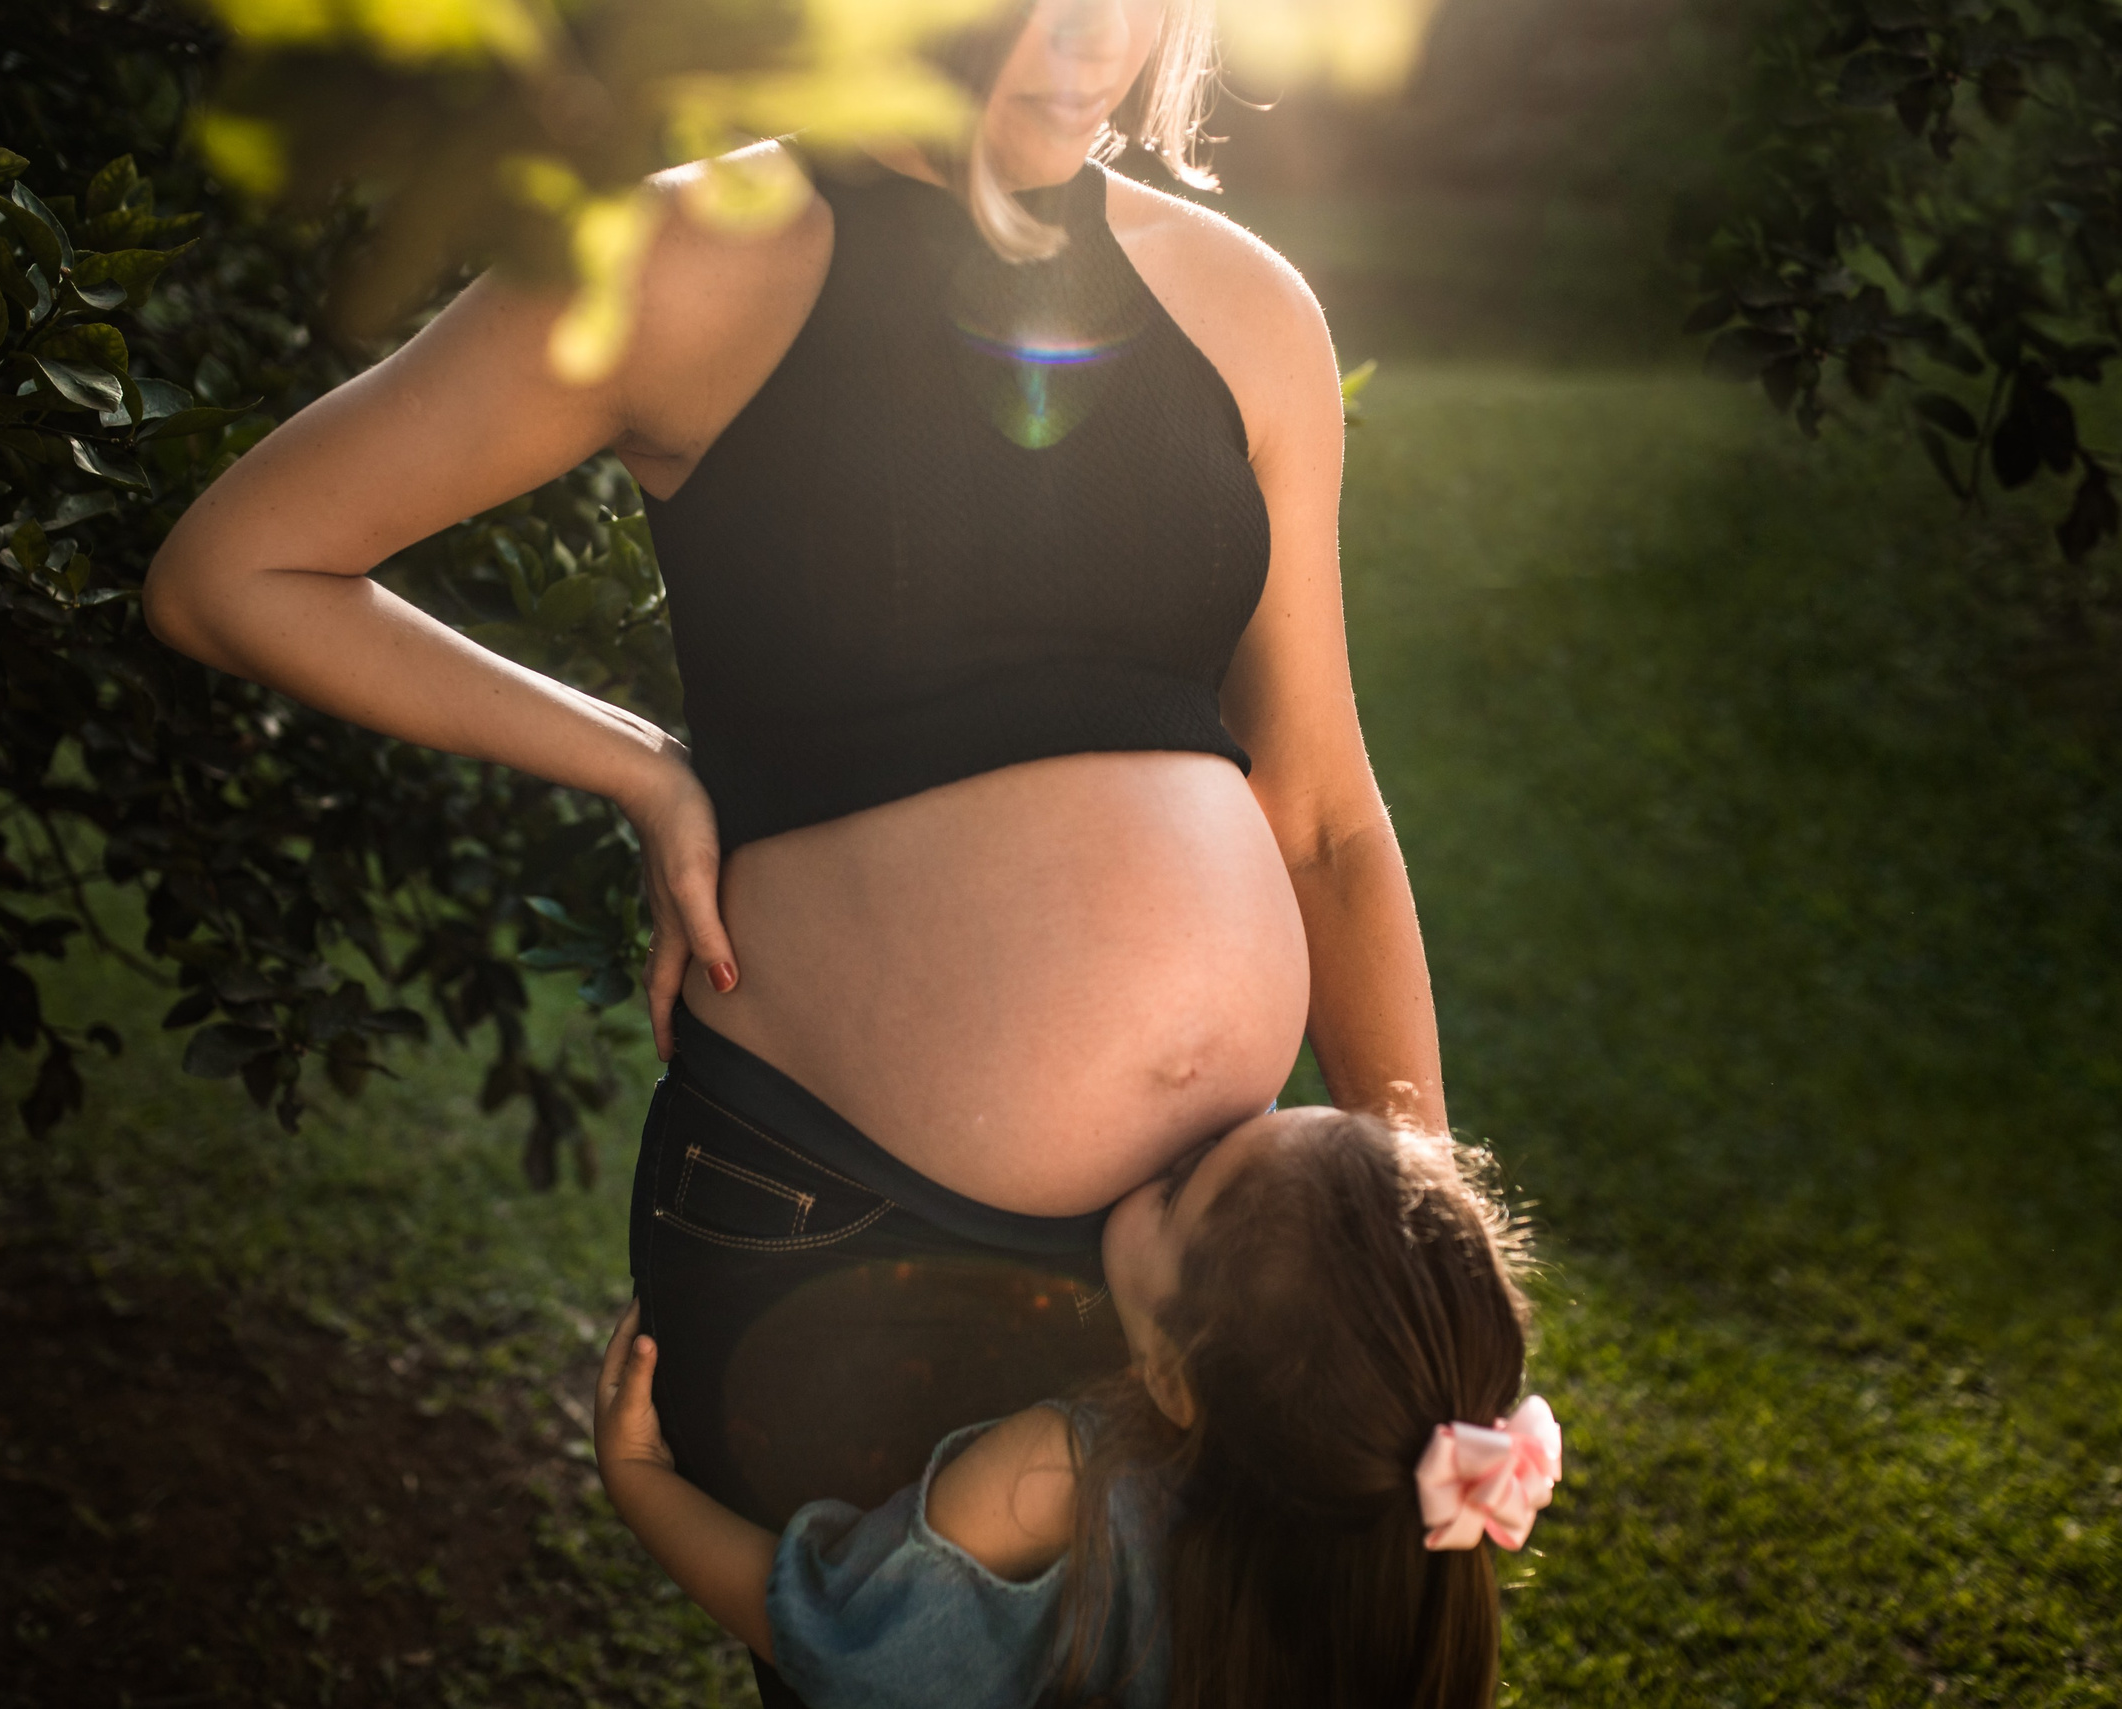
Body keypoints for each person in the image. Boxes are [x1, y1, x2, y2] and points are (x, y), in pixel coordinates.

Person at [144, 0, 1447, 1698]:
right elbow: (236, 566)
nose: (1085, 36)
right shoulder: (688, 256)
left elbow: (1328, 815)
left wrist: (1411, 1264)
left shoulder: (1245, 308)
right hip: (847, 1228)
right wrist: (639, 764)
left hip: (1211, 1245)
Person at [593, 1106, 1556, 1709]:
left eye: (1184, 1185)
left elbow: (853, 1647)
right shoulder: (1374, 1595)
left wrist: (639, 1484)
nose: (1186, 1130)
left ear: (1176, 1376)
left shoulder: (1058, 1477)